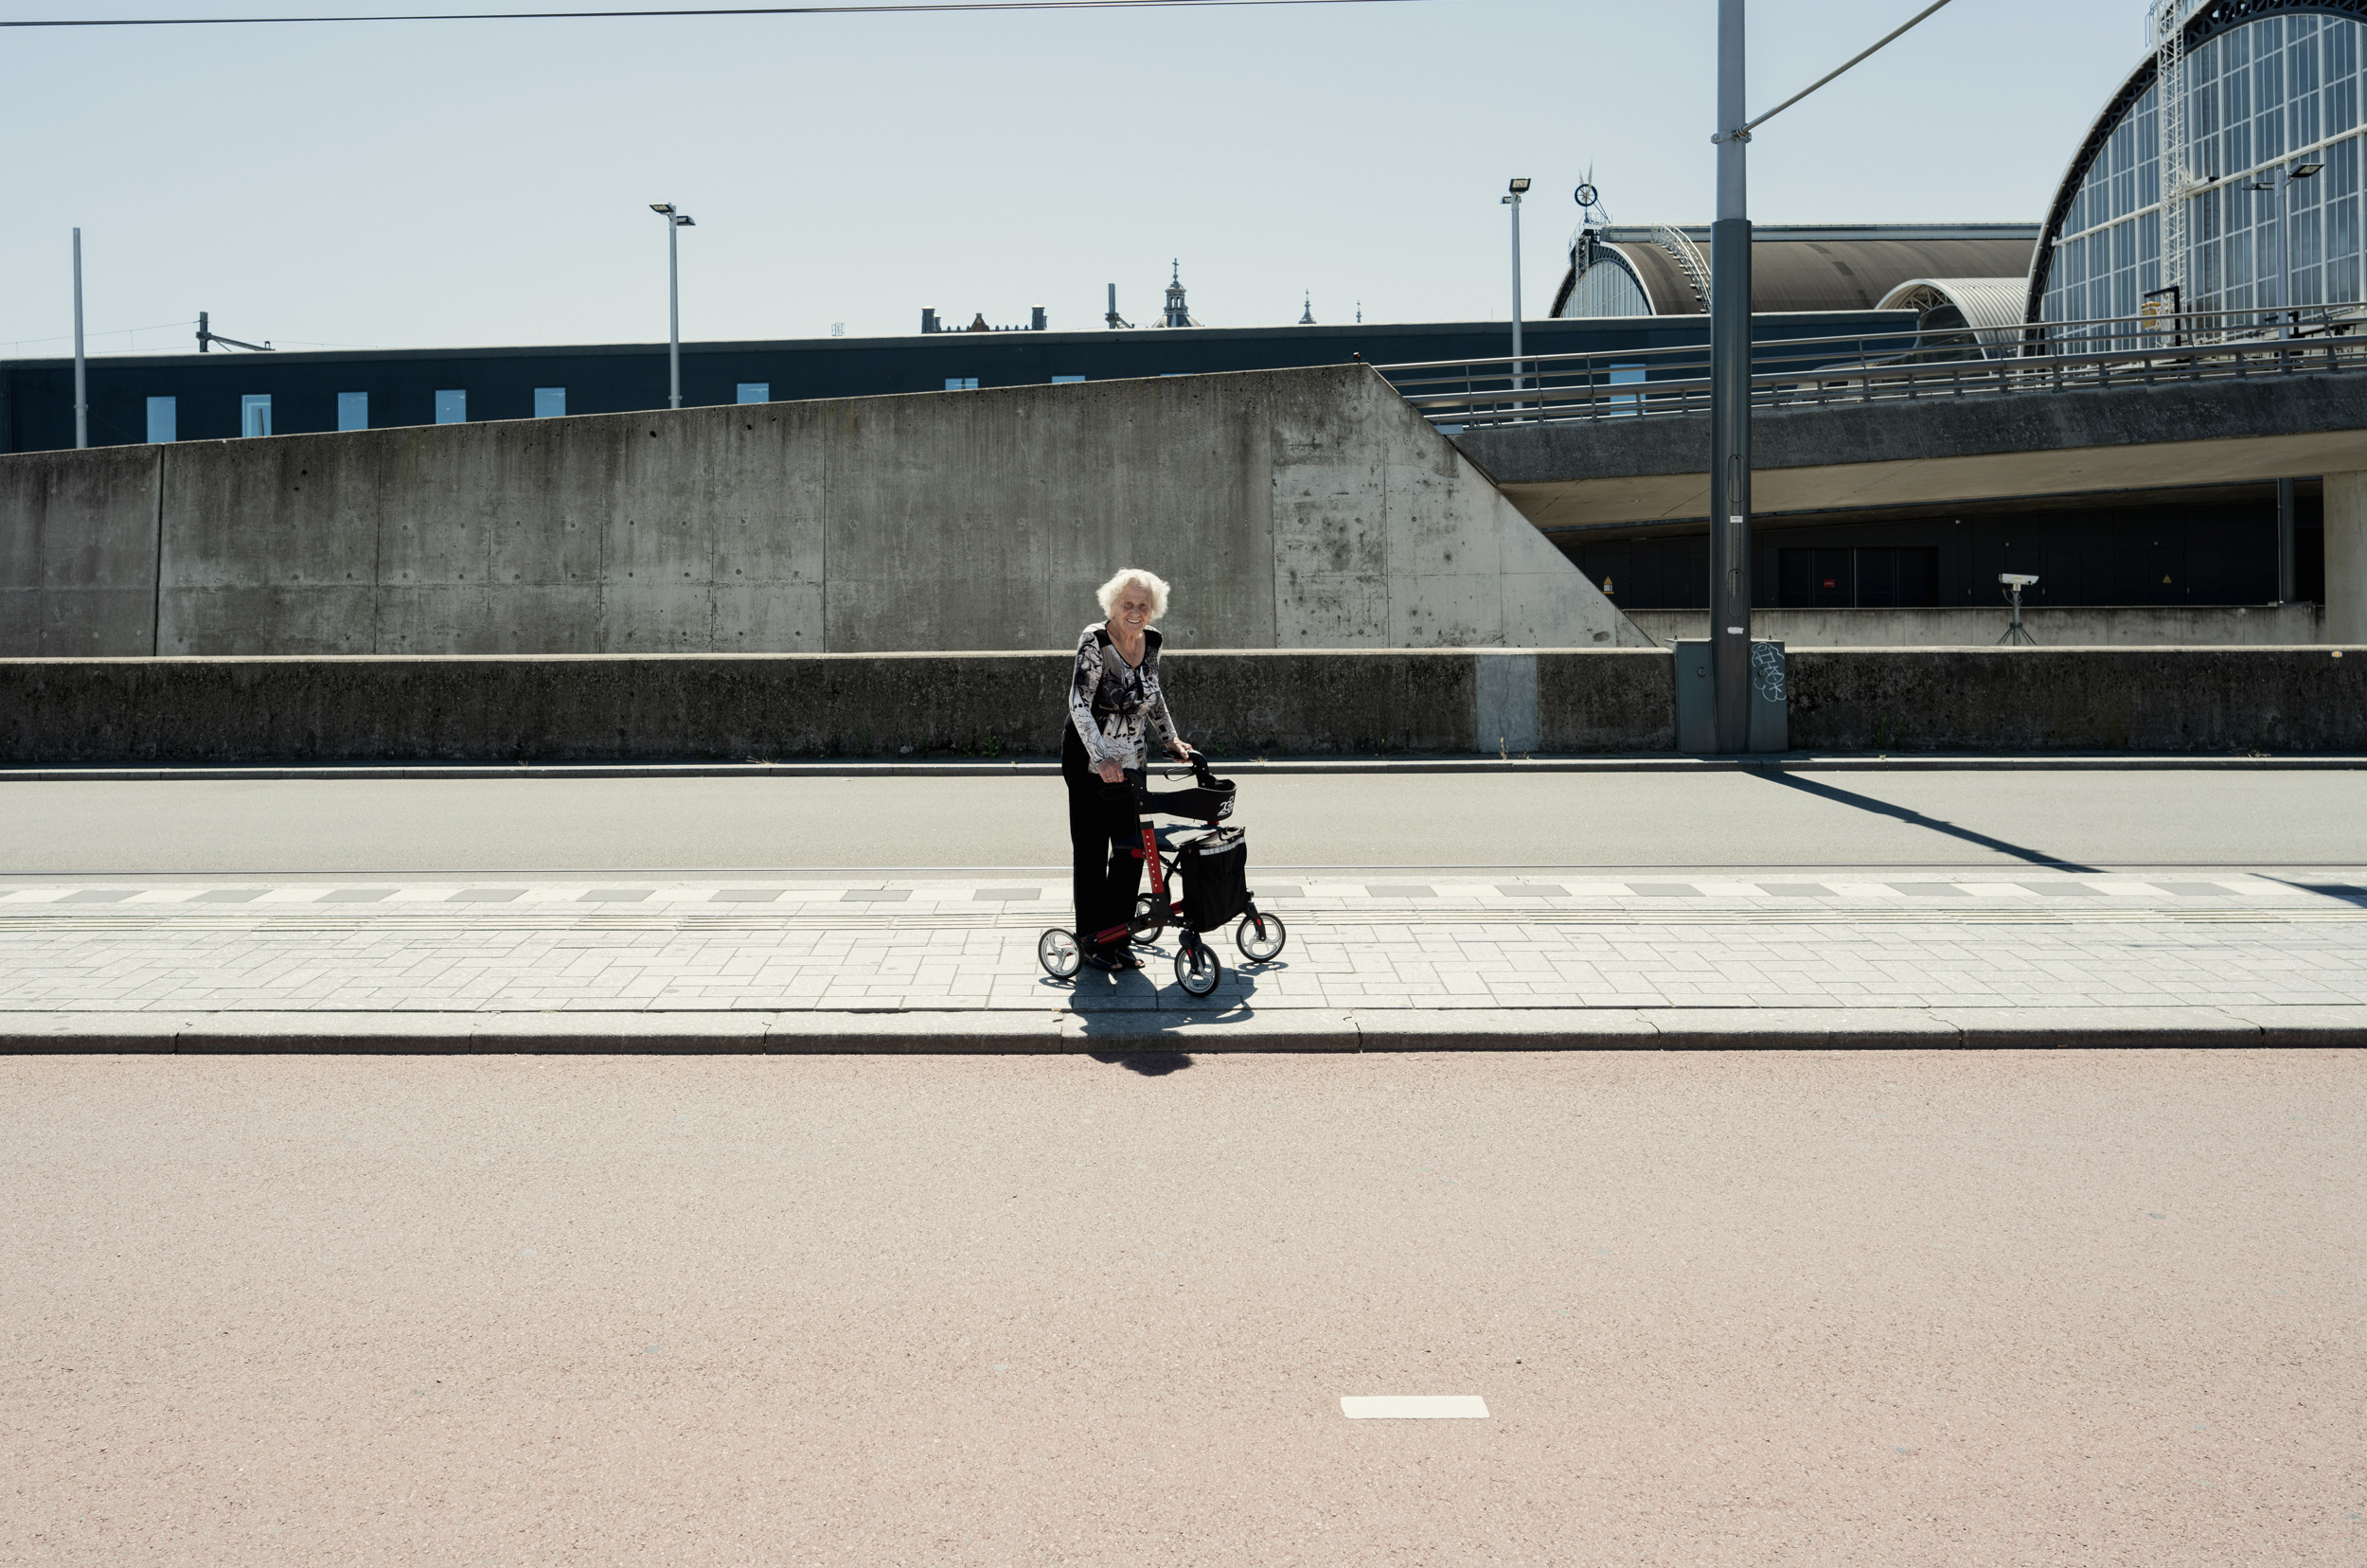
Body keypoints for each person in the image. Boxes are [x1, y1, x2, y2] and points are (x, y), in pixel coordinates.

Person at [1064, 567, 1192, 971]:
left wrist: (1170, 738)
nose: (1135, 612)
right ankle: (1091, 942)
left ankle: (1116, 938)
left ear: (1153, 609)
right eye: (1128, 604)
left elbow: (1152, 693)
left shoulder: (1152, 641)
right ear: (1113, 604)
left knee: (1132, 849)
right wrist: (1102, 758)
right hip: (1089, 759)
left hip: (1133, 761)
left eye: (1143, 605)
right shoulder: (1095, 640)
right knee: (1091, 851)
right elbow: (1078, 703)